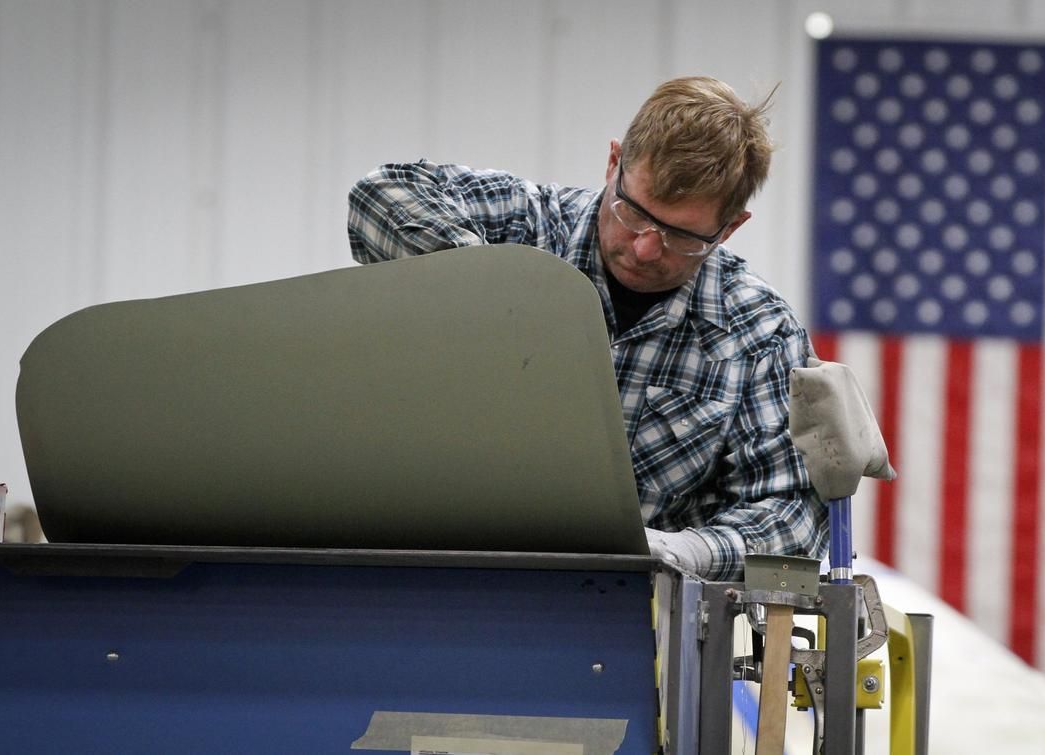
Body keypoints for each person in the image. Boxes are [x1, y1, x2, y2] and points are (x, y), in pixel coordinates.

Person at [346, 76, 824, 581]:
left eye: (681, 236)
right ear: (613, 163)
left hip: (625, 619)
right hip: (436, 579)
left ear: (730, 228)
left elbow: (793, 516)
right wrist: (491, 287)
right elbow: (382, 195)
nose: (644, 248)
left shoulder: (760, 333)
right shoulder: (527, 228)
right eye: (633, 212)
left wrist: (689, 551)